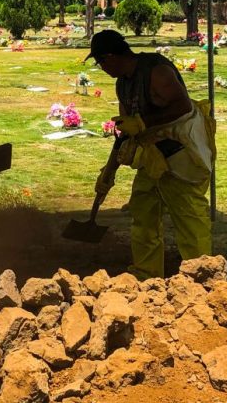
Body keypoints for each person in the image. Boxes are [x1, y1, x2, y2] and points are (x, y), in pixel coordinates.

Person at [87, 30, 214, 280]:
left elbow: (183, 106)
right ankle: (147, 276)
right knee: (143, 214)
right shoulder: (122, 83)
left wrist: (143, 122)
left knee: (190, 218)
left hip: (182, 153)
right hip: (154, 156)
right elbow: (125, 128)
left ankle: (203, 279)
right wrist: (109, 170)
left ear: (110, 57)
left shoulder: (157, 71)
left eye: (100, 62)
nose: (101, 68)